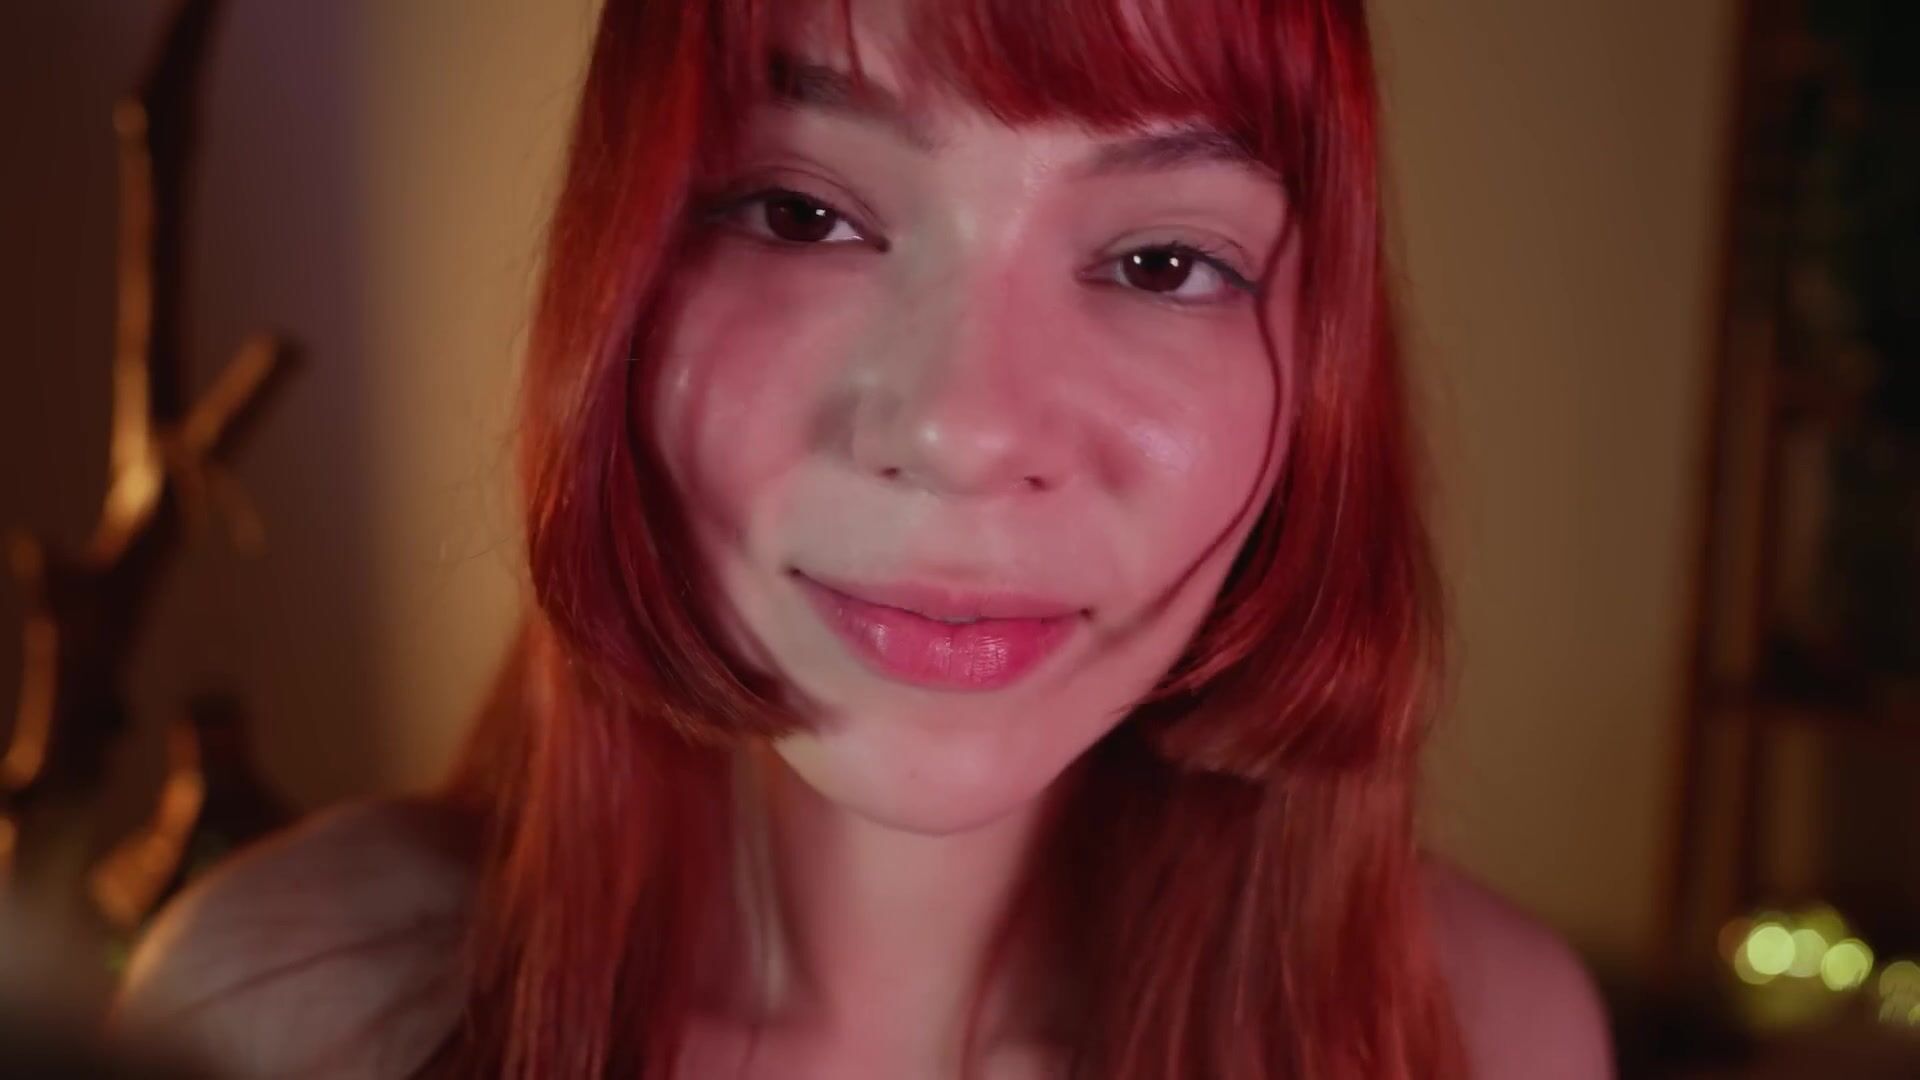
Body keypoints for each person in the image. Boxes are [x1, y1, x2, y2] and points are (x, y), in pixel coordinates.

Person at [110, 0, 1613, 1076]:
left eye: (1165, 261)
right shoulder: (279, 1010)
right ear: (619, 279)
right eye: (799, 214)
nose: (963, 429)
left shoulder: (1484, 1035)